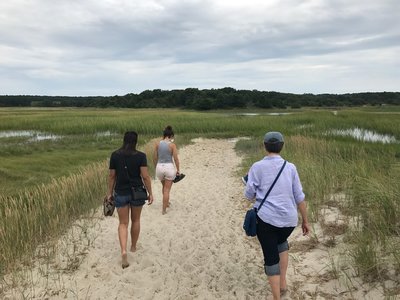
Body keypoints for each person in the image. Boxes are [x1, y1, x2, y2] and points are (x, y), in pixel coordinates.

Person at [244, 131, 310, 300]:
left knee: (271, 257)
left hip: (266, 220)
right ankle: (283, 284)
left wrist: (249, 184)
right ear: (282, 146)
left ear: (264, 146)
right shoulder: (290, 167)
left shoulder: (257, 167)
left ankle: (276, 297)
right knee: (281, 244)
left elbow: (249, 195)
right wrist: (305, 221)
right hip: (288, 221)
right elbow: (299, 197)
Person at [107, 131, 154, 269]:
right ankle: (133, 246)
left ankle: (123, 251)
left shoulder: (115, 155)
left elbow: (112, 176)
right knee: (136, 220)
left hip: (121, 192)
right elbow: (145, 176)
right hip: (137, 193)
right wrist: (150, 193)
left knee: (123, 223)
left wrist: (109, 193)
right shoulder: (141, 156)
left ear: (124, 140)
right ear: (135, 142)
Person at [153, 125, 181, 215]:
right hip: (169, 167)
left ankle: (167, 203)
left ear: (164, 135)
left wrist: (155, 167)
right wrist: (178, 170)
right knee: (167, 190)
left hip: (159, 167)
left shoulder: (157, 144)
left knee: (164, 187)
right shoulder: (172, 145)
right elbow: (176, 159)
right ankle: (164, 210)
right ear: (171, 136)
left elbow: (154, 157)